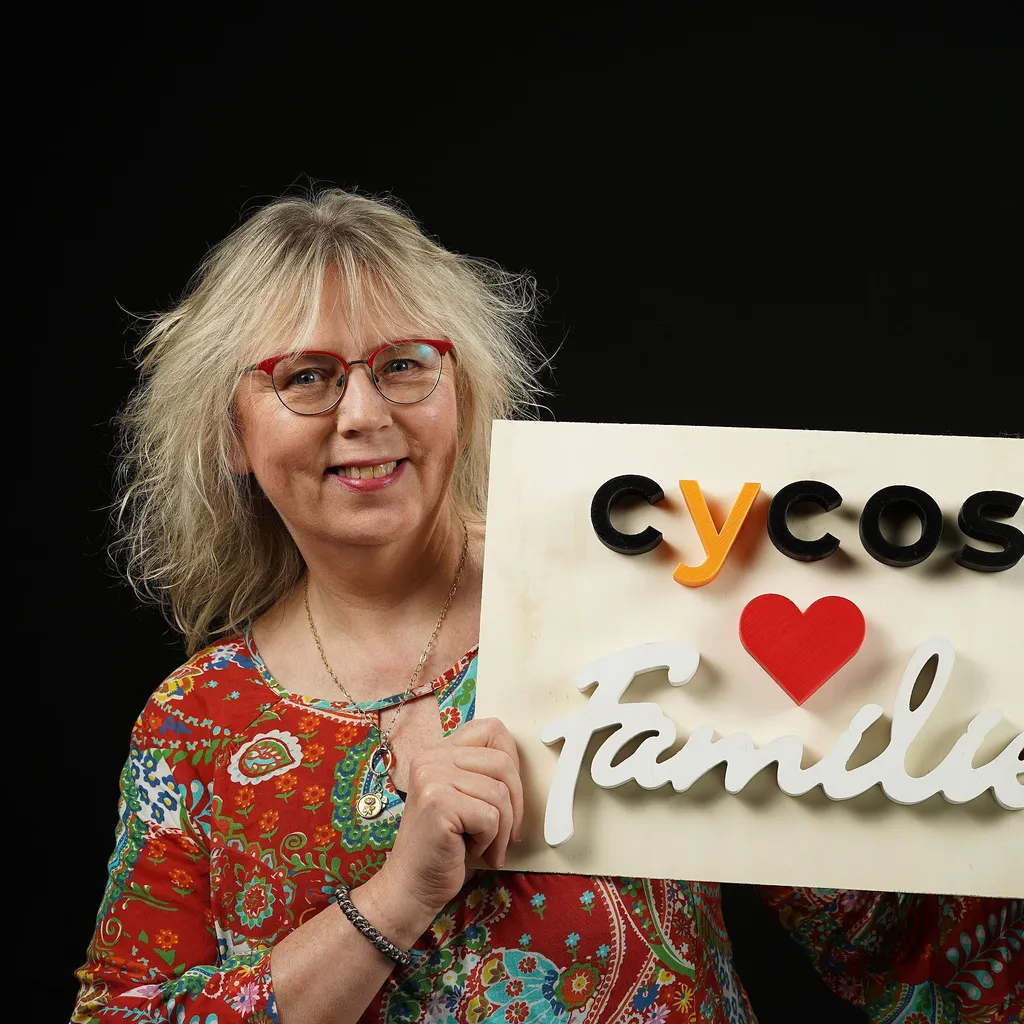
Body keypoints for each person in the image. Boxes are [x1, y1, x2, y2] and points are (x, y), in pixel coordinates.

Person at [71, 187, 1022, 1024]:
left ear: (464, 392)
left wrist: (980, 772)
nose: (364, 413)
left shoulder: (632, 600)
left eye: (404, 364)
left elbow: (892, 937)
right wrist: (400, 894)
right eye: (305, 377)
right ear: (231, 434)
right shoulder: (194, 725)